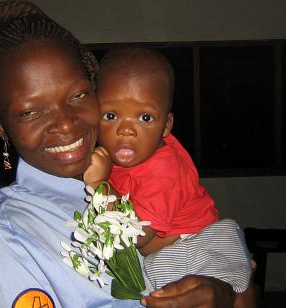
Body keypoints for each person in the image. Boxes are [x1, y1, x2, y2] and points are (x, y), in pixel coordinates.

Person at [0, 1, 258, 307]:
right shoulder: (8, 238)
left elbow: (244, 298)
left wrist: (225, 295)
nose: (65, 123)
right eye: (30, 112)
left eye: (78, 95)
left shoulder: (120, 174)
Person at [94, 47, 251, 293]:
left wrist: (99, 185)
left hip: (192, 255)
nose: (126, 130)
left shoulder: (164, 168)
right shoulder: (123, 156)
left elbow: (136, 236)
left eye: (145, 118)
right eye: (111, 115)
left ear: (166, 126)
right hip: (169, 256)